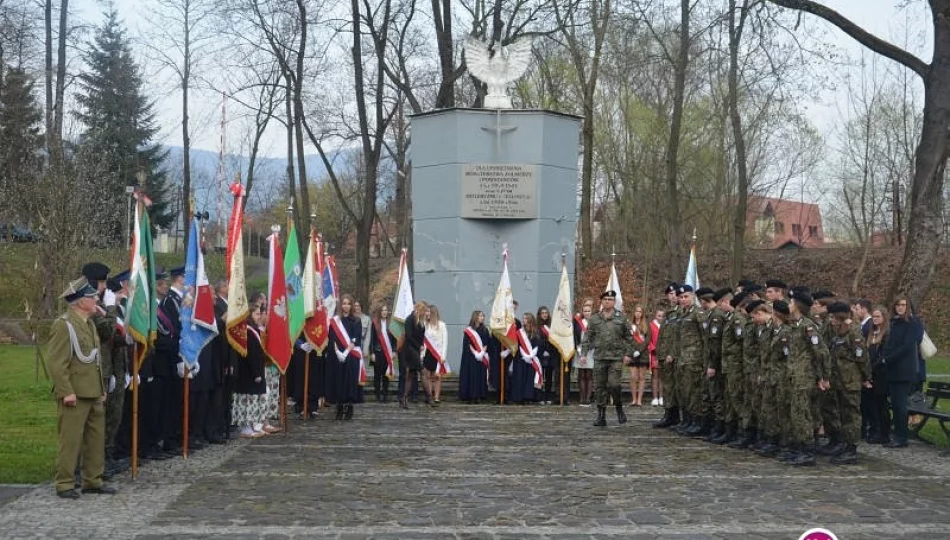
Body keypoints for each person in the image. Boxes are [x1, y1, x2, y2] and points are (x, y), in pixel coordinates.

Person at [47, 277, 117, 498]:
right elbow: (58, 363)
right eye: (91, 296)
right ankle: (65, 483)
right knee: (70, 440)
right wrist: (66, 391)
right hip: (75, 392)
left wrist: (101, 389)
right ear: (79, 301)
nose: (96, 298)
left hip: (93, 390)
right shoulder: (64, 324)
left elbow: (94, 359)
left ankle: (92, 480)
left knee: (95, 439)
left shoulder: (88, 323)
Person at [825, 301, 872, 465]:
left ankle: (852, 448)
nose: (831, 320)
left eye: (833, 317)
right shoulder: (839, 334)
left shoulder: (854, 334)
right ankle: (845, 444)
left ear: (841, 317)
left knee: (852, 415)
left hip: (850, 382)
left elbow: (862, 359)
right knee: (843, 415)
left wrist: (866, 378)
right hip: (839, 381)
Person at [580, 290, 635, 427]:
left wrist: (628, 354)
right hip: (599, 357)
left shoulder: (621, 318)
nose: (607, 301)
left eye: (610, 299)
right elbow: (587, 338)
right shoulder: (594, 318)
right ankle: (601, 416)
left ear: (614, 302)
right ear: (601, 301)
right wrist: (583, 354)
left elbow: (629, 338)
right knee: (599, 387)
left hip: (616, 358)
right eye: (605, 299)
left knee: (614, 385)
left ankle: (619, 407)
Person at [882, 295, 924, 449]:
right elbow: (889, 342)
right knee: (895, 403)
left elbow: (908, 345)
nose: (900, 308)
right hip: (893, 369)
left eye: (903, 305)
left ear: (908, 307)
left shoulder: (913, 323)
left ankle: (901, 436)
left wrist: (889, 358)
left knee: (900, 405)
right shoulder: (894, 323)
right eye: (898, 305)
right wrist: (886, 356)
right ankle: (897, 434)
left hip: (904, 369)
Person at [328, 294, 365, 420]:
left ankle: (349, 406)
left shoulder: (356, 320)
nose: (346, 306)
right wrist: (338, 352)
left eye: (349, 303)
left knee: (349, 381)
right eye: (344, 303)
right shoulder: (335, 321)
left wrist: (345, 352)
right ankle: (339, 406)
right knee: (338, 380)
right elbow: (332, 337)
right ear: (340, 305)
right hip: (337, 355)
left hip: (351, 354)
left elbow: (356, 338)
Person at [233, 304, 268, 438]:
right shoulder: (247, 331)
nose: (259, 317)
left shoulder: (254, 330)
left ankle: (253, 425)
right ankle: (245, 427)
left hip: (256, 370)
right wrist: (257, 373)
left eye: (260, 314)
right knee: (248, 400)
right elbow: (251, 354)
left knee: (255, 400)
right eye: (256, 314)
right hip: (249, 373)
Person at [653, 283, 681, 428]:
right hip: (664, 356)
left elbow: (679, 337)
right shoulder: (669, 313)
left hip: (675, 356)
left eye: (675, 294)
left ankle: (675, 415)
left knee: (675, 386)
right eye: (670, 294)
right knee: (668, 386)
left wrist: (673, 353)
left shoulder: (682, 312)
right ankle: (669, 413)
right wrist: (659, 354)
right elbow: (662, 336)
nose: (673, 296)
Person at [866, 306, 890, 444]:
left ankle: (884, 433)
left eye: (878, 317)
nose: (875, 319)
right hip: (871, 373)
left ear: (884, 318)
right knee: (872, 404)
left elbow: (884, 355)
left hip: (881, 374)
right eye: (874, 316)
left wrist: (873, 366)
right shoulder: (872, 333)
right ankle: (875, 430)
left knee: (882, 404)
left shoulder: (886, 334)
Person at [399, 301, 430, 408]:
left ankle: (404, 398)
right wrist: (419, 346)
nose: (426, 313)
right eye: (424, 310)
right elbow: (409, 336)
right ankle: (429, 397)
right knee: (423, 371)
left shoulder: (421, 322)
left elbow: (421, 337)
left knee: (411, 375)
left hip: (416, 350)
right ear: (419, 310)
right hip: (409, 350)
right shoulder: (409, 319)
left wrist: (421, 345)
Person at [459, 310, 490, 403]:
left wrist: (481, 353)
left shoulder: (485, 329)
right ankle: (472, 395)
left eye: (483, 316)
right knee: (472, 376)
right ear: (475, 317)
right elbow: (468, 344)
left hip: (481, 357)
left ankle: (480, 395)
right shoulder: (469, 330)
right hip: (471, 357)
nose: (482, 318)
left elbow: (487, 342)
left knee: (481, 376)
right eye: (480, 316)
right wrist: (475, 353)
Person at [510, 313, 542, 404]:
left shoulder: (536, 332)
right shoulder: (519, 332)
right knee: (520, 377)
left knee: (530, 378)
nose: (523, 320)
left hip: (532, 359)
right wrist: (524, 355)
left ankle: (529, 397)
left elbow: (538, 345)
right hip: (521, 358)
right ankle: (519, 397)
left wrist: (531, 355)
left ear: (530, 320)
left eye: (525, 318)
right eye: (523, 318)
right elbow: (517, 345)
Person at [370, 304, 396, 402]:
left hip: (388, 353)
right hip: (378, 352)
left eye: (386, 310)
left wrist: (394, 351)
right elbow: (372, 339)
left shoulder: (391, 324)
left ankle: (385, 396)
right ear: (379, 312)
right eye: (382, 310)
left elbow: (394, 339)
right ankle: (377, 396)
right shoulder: (375, 323)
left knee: (386, 375)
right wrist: (372, 352)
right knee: (377, 375)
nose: (384, 312)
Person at [423, 304, 449, 404]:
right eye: (426, 312)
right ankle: (429, 396)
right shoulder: (425, 325)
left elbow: (445, 341)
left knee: (437, 376)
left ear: (433, 313)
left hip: (438, 354)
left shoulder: (442, 325)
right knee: (428, 375)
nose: (427, 313)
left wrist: (443, 356)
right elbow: (423, 341)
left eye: (428, 311)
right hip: (428, 353)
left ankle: (436, 397)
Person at [537, 306, 562, 405]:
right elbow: (537, 340)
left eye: (546, 313)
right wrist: (542, 350)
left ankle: (547, 396)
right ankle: (539, 397)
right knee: (540, 376)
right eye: (542, 313)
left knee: (549, 376)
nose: (544, 315)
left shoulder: (552, 325)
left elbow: (553, 340)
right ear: (539, 314)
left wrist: (549, 350)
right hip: (540, 354)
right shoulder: (537, 326)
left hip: (551, 354)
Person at [572, 299, 595, 406]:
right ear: (582, 311)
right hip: (579, 350)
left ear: (591, 311)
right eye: (585, 311)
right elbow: (574, 335)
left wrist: (588, 349)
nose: (587, 313)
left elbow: (596, 337)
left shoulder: (595, 322)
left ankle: (588, 397)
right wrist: (578, 348)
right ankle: (582, 397)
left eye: (588, 311)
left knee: (589, 374)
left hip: (590, 351)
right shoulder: (577, 322)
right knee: (581, 374)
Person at [627, 305, 648, 407]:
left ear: (642, 313)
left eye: (640, 311)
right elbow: (627, 339)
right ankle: (633, 399)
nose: (638, 313)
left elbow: (647, 341)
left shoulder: (646, 325)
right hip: (632, 354)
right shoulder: (629, 325)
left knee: (641, 377)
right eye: (636, 311)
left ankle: (639, 400)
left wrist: (639, 350)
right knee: (633, 376)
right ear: (634, 312)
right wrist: (632, 352)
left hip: (643, 354)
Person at [647, 308, 664, 407]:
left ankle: (662, 396)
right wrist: (653, 348)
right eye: (659, 316)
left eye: (662, 316)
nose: (660, 318)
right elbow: (648, 339)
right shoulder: (651, 326)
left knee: (662, 377)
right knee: (655, 376)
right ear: (655, 316)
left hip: (664, 354)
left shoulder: (666, 326)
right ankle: (655, 397)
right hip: (654, 354)